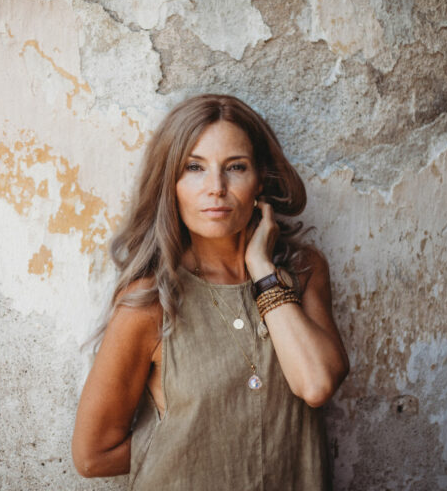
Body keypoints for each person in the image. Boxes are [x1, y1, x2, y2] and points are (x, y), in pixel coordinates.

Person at [72, 94, 349, 490]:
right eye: (194, 168)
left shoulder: (303, 272)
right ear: (171, 183)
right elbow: (92, 456)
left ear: (260, 179)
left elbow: (316, 384)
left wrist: (262, 269)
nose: (216, 188)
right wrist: (205, 446)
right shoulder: (151, 302)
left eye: (235, 167)